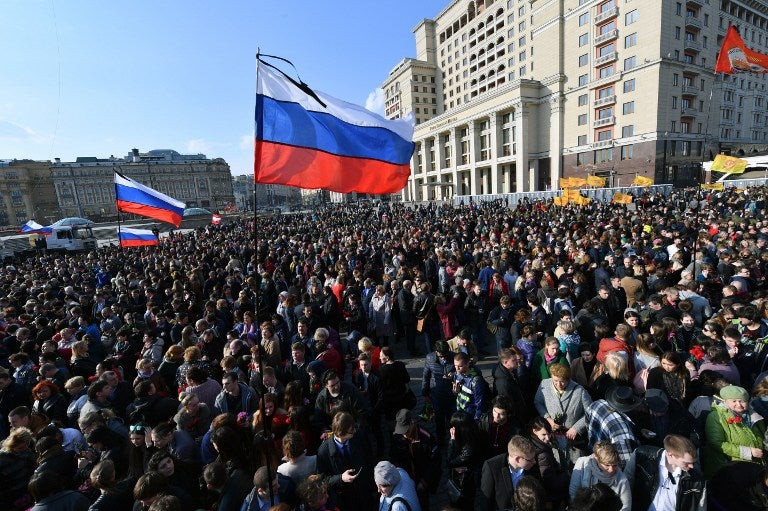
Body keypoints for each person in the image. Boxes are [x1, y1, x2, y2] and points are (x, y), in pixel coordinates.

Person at [624, 433, 706, 511]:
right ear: (670, 455)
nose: (691, 466)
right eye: (686, 463)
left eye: (693, 462)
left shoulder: (696, 480)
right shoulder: (641, 456)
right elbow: (625, 486)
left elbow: (700, 507)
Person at [315, 411, 376, 511]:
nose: (355, 431)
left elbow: (369, 458)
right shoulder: (323, 451)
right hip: (345, 500)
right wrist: (340, 478)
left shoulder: (359, 437)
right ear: (340, 434)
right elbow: (322, 480)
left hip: (364, 493)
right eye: (351, 431)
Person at [704, 384, 767, 478]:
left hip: (754, 466)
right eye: (734, 401)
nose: (739, 404)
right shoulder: (715, 416)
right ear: (726, 401)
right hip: (730, 467)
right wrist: (748, 452)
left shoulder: (754, 415)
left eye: (742, 401)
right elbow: (716, 443)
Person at [534, 363, 592, 462]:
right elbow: (538, 402)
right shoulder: (544, 384)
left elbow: (590, 412)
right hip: (552, 436)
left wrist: (576, 428)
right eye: (555, 381)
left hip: (573, 440)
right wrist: (548, 419)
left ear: (568, 379)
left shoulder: (580, 390)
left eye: (562, 382)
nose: (558, 384)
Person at [585, 386, 640, 469]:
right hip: (606, 466)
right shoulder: (622, 433)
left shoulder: (598, 403)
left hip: (593, 452)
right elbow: (626, 465)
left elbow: (587, 422)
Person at [479, 435, 538, 511]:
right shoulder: (492, 467)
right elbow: (485, 501)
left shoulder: (531, 464)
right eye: (530, 459)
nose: (534, 461)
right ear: (517, 459)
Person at [569, 441, 632, 511]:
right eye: (607, 465)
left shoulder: (622, 479)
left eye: (615, 465)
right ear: (596, 458)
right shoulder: (583, 463)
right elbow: (573, 492)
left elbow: (626, 507)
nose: (611, 470)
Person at [452, 351, 489, 420]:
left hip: (471, 415)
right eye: (455, 365)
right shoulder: (457, 375)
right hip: (460, 412)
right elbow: (457, 394)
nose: (457, 369)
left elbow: (480, 405)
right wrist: (455, 391)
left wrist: (476, 420)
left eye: (460, 366)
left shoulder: (476, 381)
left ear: (468, 364)